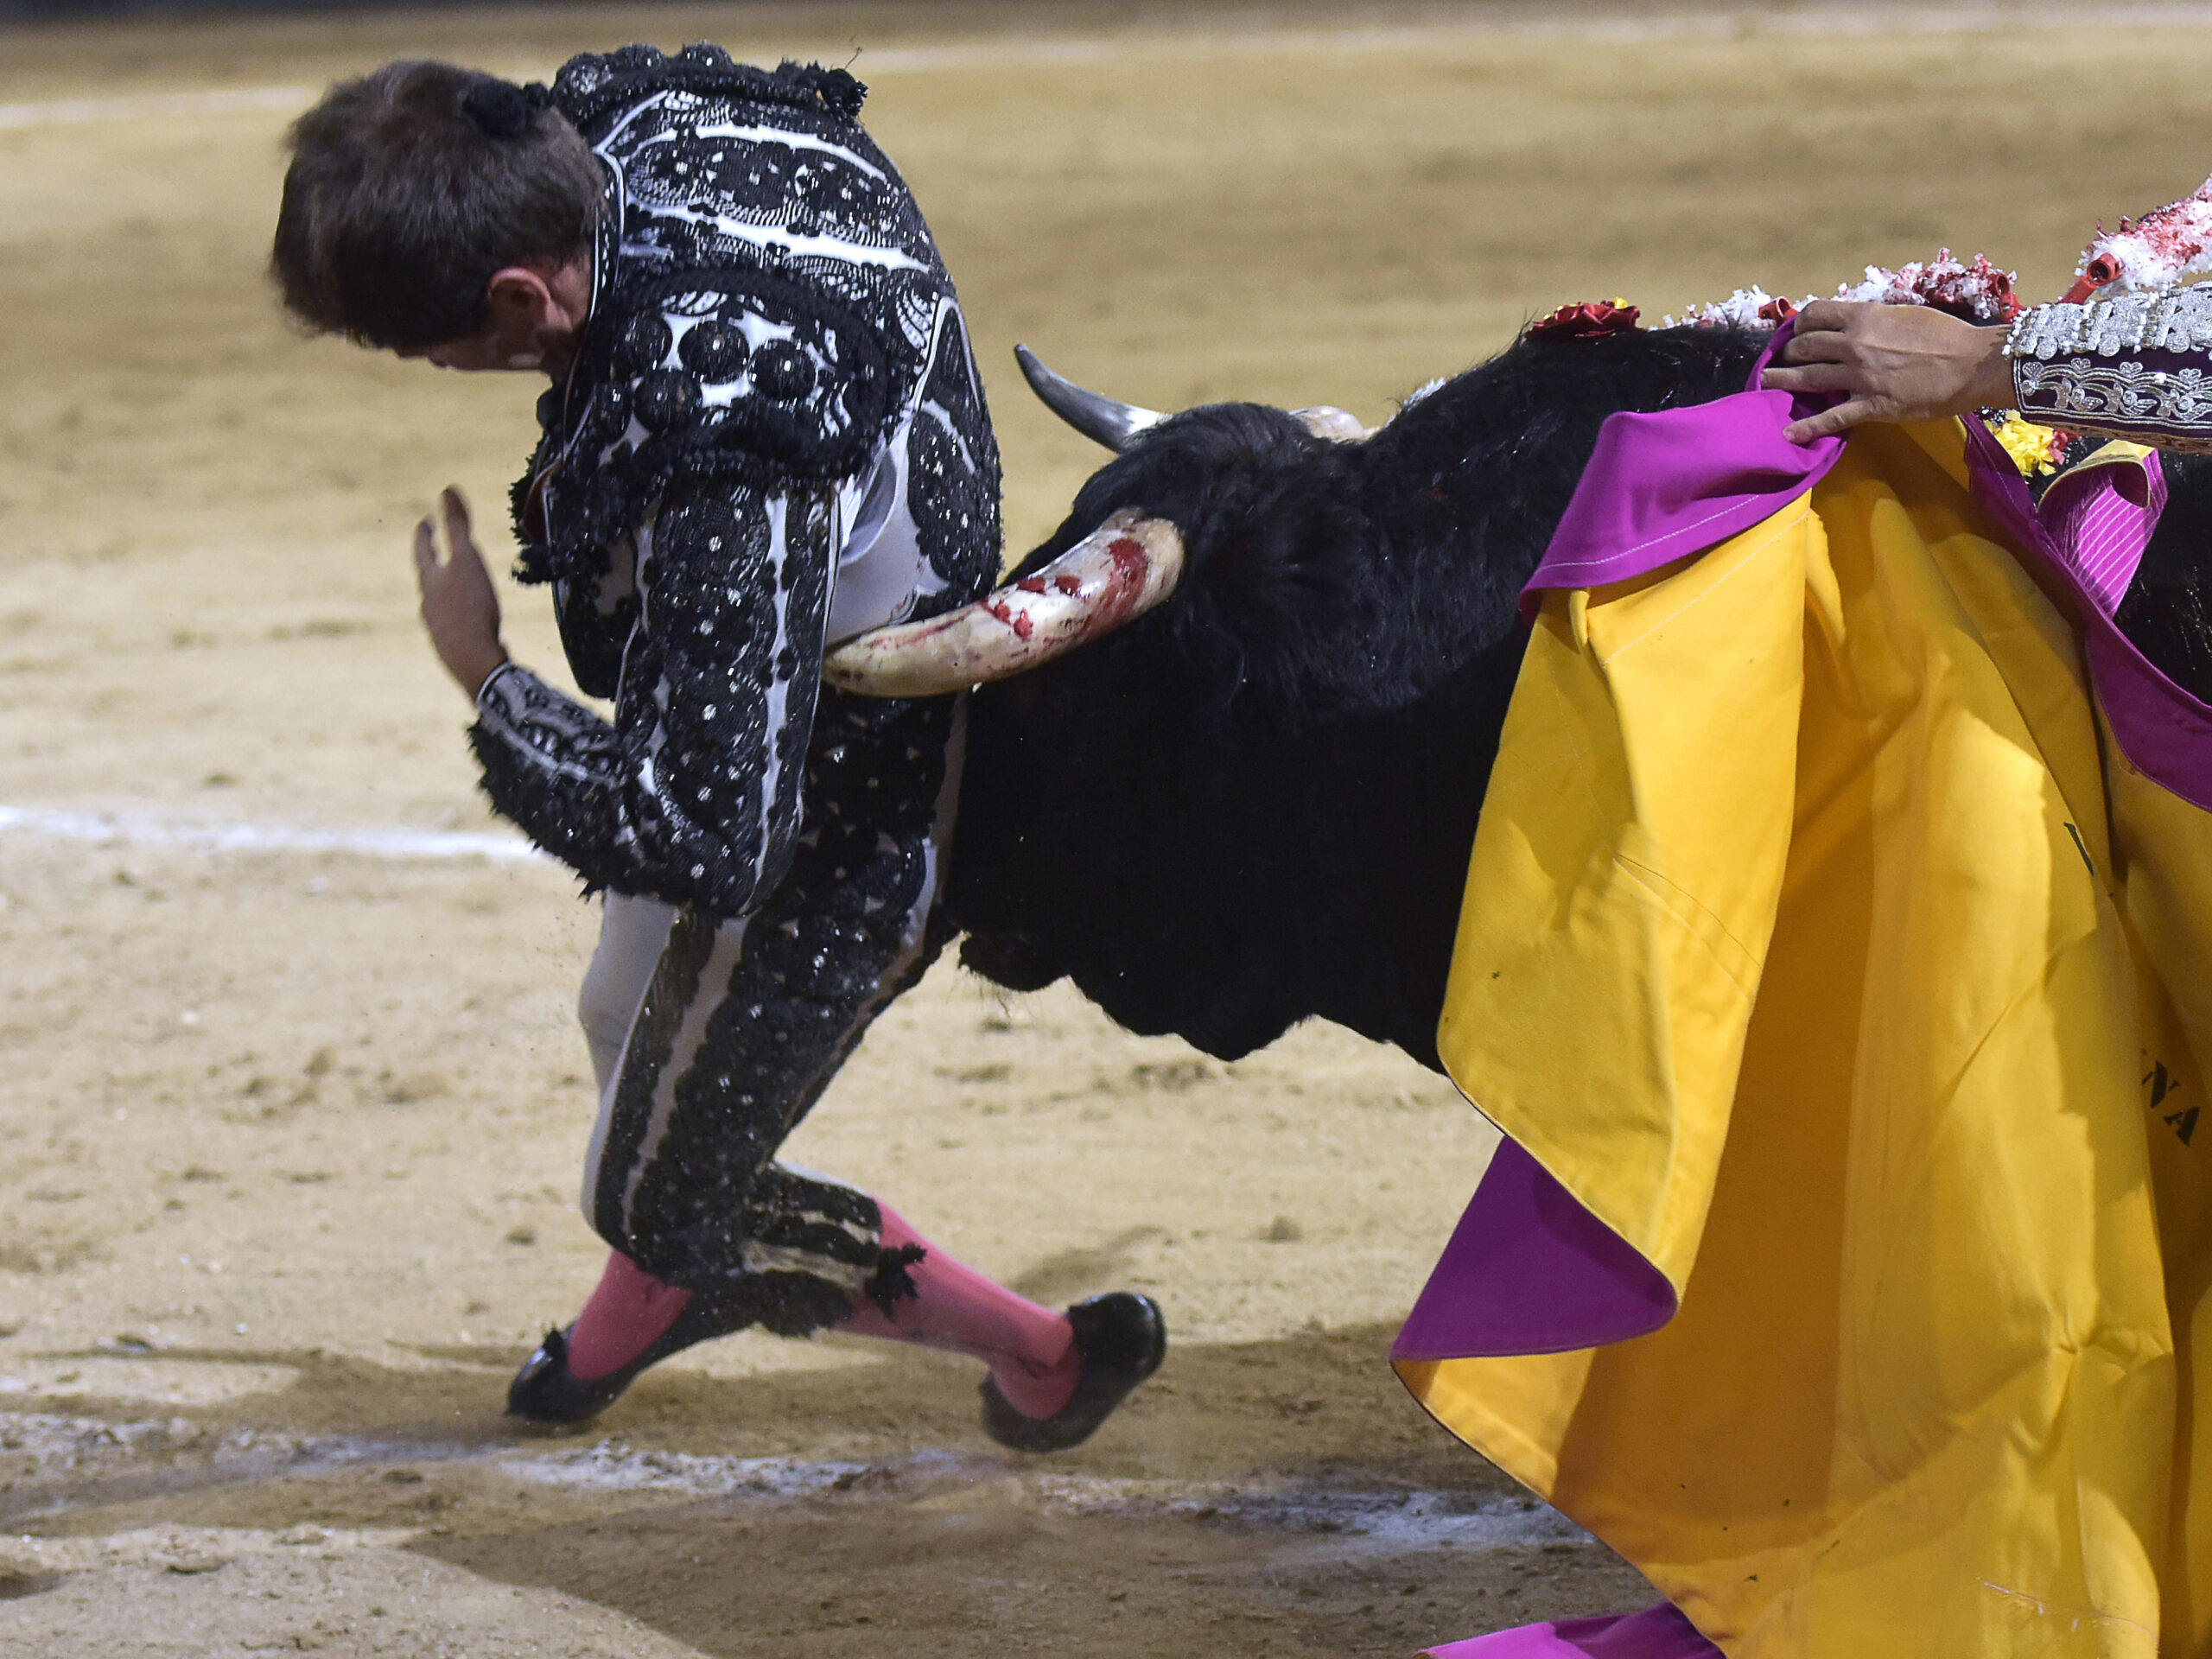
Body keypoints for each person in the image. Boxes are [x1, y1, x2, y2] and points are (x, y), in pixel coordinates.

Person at [270, 43, 1163, 1446]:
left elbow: (704, 829)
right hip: (798, 670)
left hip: (852, 799)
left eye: (428, 346)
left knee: (657, 1200)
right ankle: (660, 1288)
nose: (433, 368)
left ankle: (1046, 1353)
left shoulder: (722, 424)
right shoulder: (623, 123)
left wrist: (488, 676)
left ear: (519, 297)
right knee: (619, 1016)